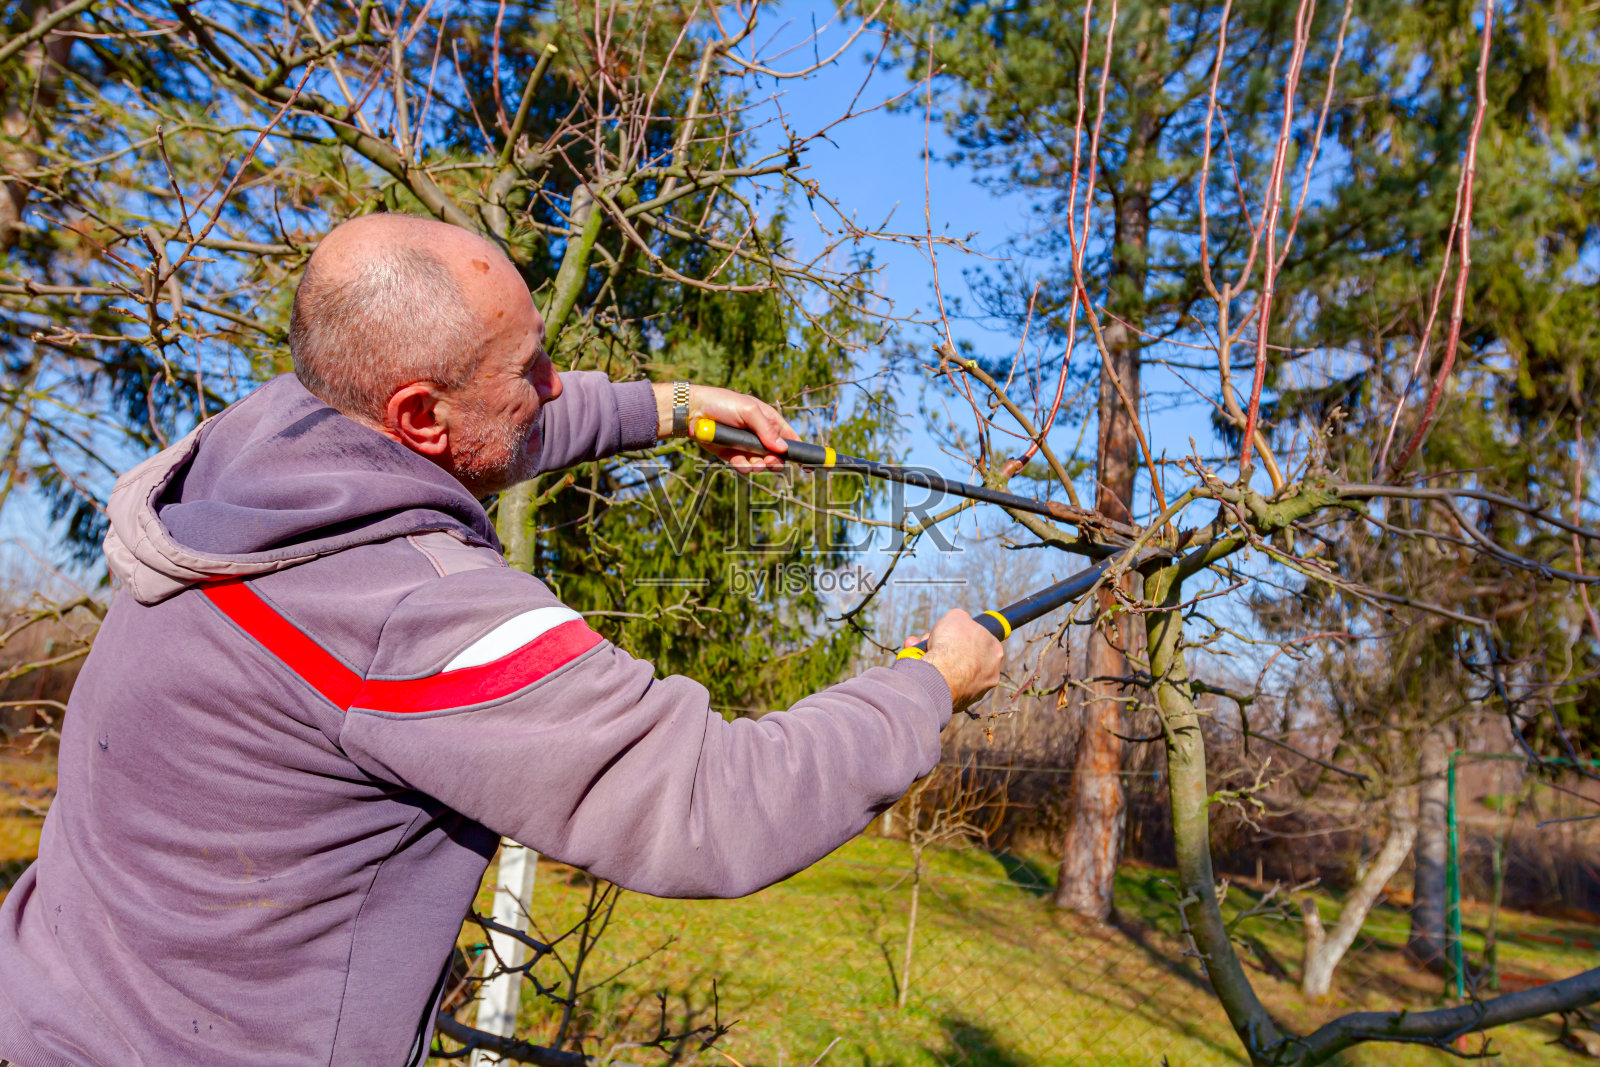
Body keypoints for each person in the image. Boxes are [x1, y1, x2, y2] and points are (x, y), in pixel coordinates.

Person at [0, 214, 1004, 1067]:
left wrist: (670, 410)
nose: (556, 380)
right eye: (530, 366)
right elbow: (714, 800)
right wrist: (926, 685)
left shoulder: (256, 449)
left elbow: (484, 430)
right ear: (418, 413)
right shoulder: (408, 613)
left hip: (49, 1007)